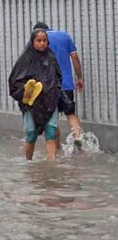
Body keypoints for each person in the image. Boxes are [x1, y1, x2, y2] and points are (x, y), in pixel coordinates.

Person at [8, 28, 64, 161]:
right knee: (31, 134)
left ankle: (52, 163)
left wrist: (55, 93)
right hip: (31, 104)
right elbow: (14, 80)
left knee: (51, 132)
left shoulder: (51, 58)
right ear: (33, 42)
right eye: (39, 41)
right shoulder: (25, 60)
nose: (42, 43)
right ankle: (29, 161)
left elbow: (58, 77)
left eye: (44, 40)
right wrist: (25, 91)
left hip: (50, 100)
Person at [32, 22, 84, 147]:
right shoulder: (65, 36)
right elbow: (74, 57)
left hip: (48, 87)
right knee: (70, 114)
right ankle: (78, 136)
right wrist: (79, 77)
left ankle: (57, 148)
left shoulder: (39, 41)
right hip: (66, 84)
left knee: (52, 119)